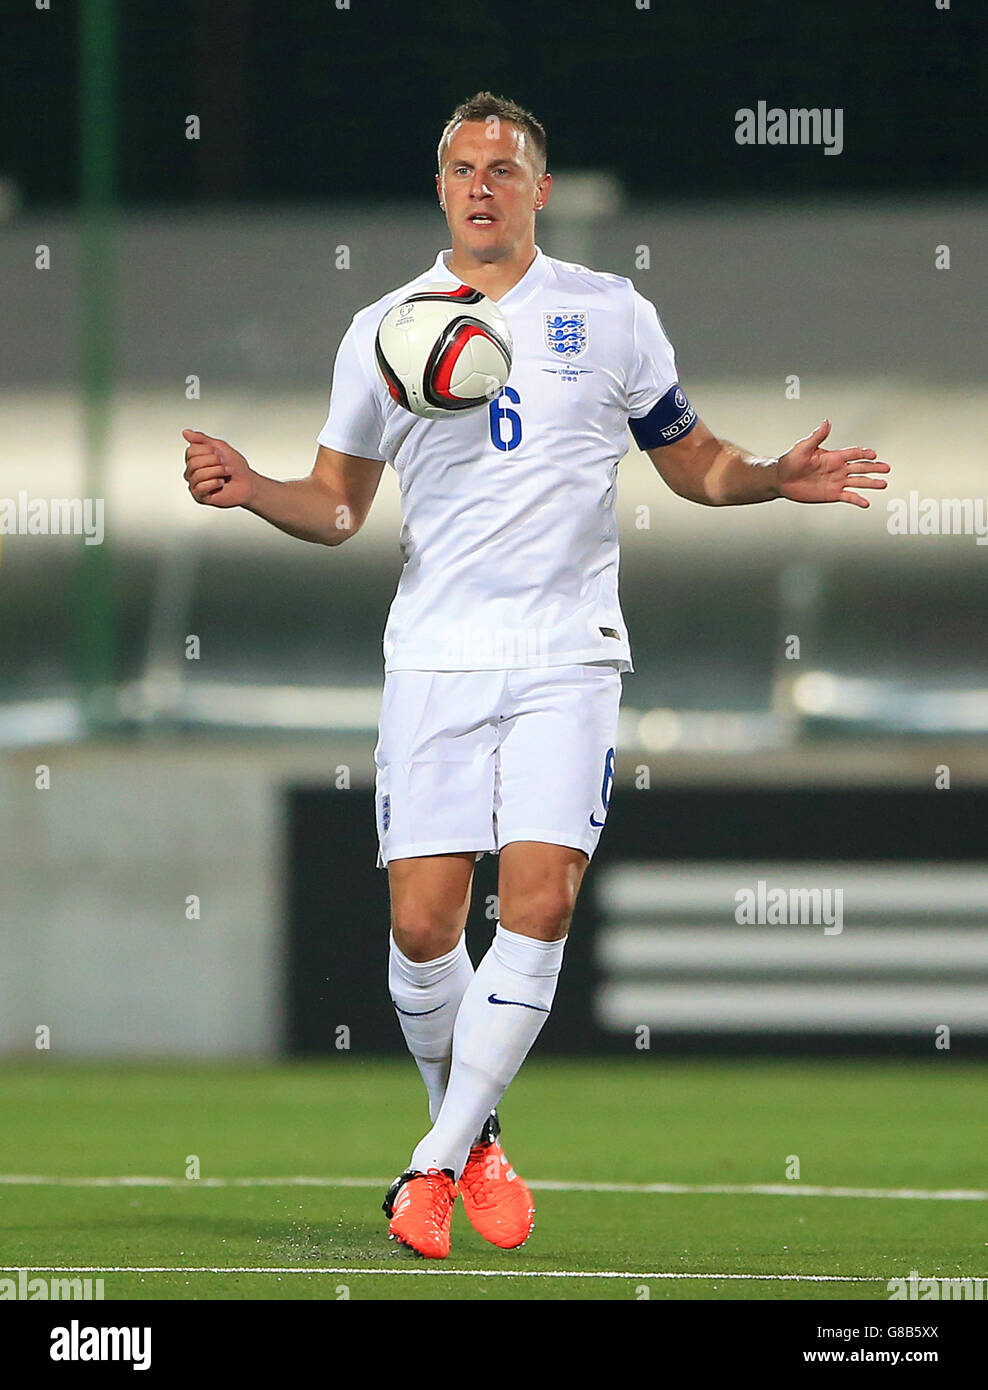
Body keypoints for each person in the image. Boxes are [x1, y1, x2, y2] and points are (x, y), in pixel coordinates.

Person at [182, 91, 889, 1260]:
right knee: (423, 928)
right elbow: (340, 504)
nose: (480, 185)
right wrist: (254, 486)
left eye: (502, 169)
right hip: (436, 655)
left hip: (568, 655)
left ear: (540, 189)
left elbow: (692, 461)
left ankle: (422, 1171)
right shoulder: (386, 327)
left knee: (544, 899)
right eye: (461, 167)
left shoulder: (608, 314)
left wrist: (771, 476)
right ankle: (475, 1135)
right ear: (441, 186)